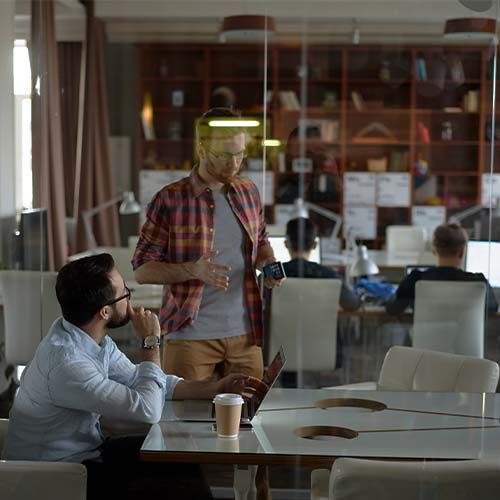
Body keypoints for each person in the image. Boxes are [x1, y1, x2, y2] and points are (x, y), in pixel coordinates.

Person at [3, 254, 262, 500]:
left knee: (179, 457)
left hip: (87, 454)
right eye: (125, 293)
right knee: (172, 484)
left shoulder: (83, 336)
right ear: (104, 312)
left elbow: (144, 377)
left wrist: (214, 388)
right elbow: (147, 410)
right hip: (56, 477)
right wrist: (151, 343)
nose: (130, 298)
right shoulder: (68, 364)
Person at [133, 107, 283, 382]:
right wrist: (193, 270)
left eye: (239, 153)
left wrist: (268, 262)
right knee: (186, 422)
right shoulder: (170, 199)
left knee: (247, 421)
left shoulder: (248, 192)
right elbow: (142, 271)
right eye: (225, 154)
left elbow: (261, 241)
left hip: (246, 336)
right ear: (202, 151)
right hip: (191, 337)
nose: (234, 163)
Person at [386, 223, 498, 315]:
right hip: (465, 342)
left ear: (434, 250)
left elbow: (393, 309)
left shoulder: (416, 280)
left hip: (423, 341)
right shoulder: (478, 282)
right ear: (462, 252)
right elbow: (492, 309)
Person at [283, 217, 360, 311]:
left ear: (286, 244)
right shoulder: (330, 276)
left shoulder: (270, 275)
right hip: (321, 326)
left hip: (277, 326)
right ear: (315, 245)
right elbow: (352, 304)